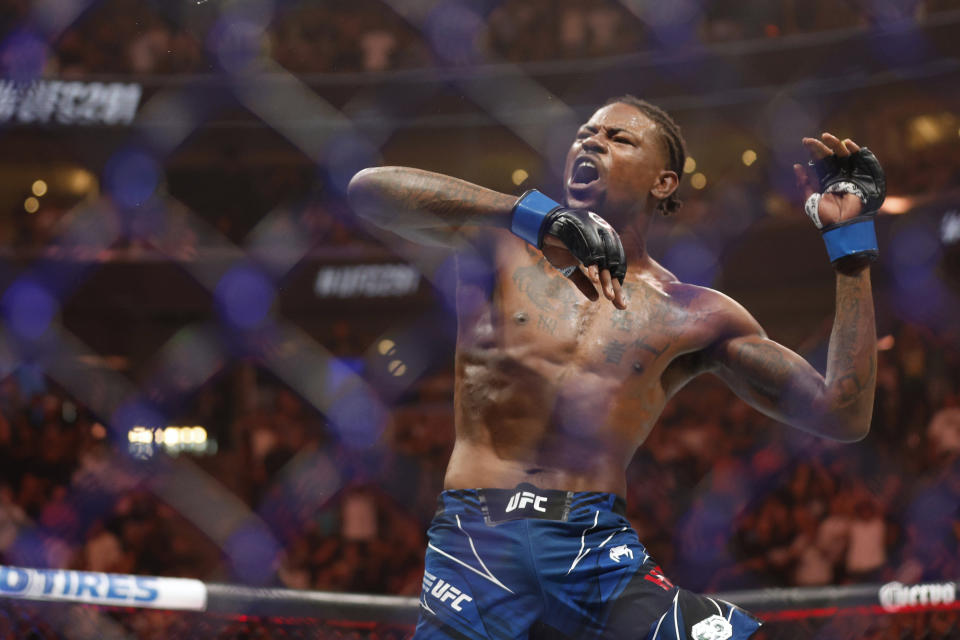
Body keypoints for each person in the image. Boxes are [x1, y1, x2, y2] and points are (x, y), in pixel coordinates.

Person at [348, 95, 884, 640]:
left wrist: (851, 252)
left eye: (618, 138)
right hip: (476, 538)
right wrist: (530, 214)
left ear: (664, 183)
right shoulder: (497, 246)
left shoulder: (691, 310)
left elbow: (841, 413)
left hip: (593, 544)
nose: (591, 141)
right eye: (586, 132)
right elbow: (367, 191)